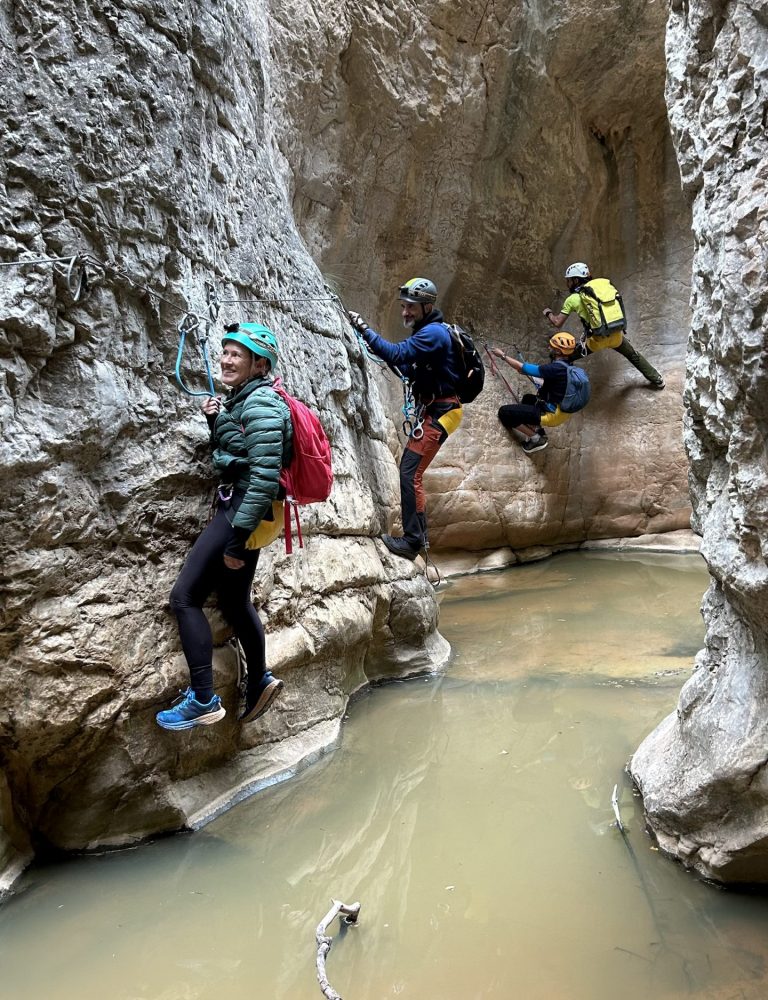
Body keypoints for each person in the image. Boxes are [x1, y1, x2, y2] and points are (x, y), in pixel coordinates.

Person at [156, 322, 292, 732]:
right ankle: (259, 682)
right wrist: (218, 422)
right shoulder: (246, 400)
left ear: (258, 364)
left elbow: (265, 475)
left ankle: (202, 699)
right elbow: (242, 452)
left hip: (243, 514)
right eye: (226, 351)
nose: (226, 359)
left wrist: (235, 541)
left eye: (237, 354)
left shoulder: (262, 404)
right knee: (234, 603)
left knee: (184, 597)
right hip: (251, 511)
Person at [348, 277, 463, 561]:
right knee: (412, 473)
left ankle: (412, 542)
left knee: (410, 473)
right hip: (438, 410)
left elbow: (396, 353)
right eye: (403, 306)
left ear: (426, 306)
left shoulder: (433, 334)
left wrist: (364, 329)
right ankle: (418, 537)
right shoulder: (429, 332)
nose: (405, 312)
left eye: (410, 307)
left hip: (441, 412)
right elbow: (402, 362)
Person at [543, 262, 665, 389]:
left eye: (569, 281)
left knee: (563, 355)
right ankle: (657, 379)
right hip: (616, 335)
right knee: (633, 354)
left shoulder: (572, 299)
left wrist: (548, 313)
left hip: (596, 341)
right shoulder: (601, 290)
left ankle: (557, 387)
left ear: (576, 280)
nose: (567, 284)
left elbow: (557, 322)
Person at [494, 332, 580, 453]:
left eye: (552, 347)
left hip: (552, 414)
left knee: (504, 412)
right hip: (561, 411)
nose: (548, 348)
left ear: (558, 352)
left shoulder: (554, 368)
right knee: (528, 399)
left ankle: (536, 439)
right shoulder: (569, 367)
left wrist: (502, 356)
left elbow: (521, 367)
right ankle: (537, 429)